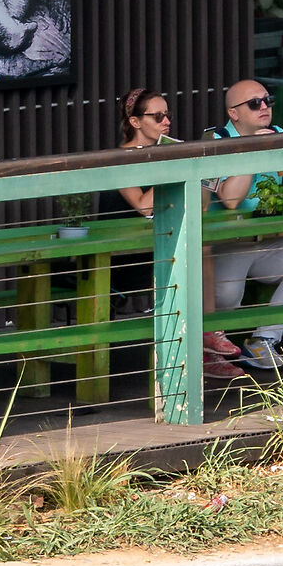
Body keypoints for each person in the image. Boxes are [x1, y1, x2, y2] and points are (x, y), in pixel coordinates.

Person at [110, 87, 243, 382]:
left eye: (167, 114)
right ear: (135, 122)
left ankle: (207, 338)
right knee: (198, 251)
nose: (166, 121)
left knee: (201, 246)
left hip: (165, 243)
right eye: (157, 116)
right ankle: (204, 345)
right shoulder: (122, 158)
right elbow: (145, 208)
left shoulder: (165, 151)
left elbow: (201, 209)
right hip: (127, 257)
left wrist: (205, 177)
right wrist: (174, 167)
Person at [208, 79, 283, 373]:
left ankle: (263, 341)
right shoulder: (217, 141)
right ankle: (209, 348)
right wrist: (252, 150)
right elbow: (231, 200)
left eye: (267, 100)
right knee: (226, 296)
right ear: (234, 113)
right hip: (229, 242)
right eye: (254, 103)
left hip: (268, 240)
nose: (264, 107)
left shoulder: (278, 134)